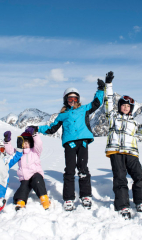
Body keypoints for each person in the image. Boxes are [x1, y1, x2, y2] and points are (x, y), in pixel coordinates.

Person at [28, 79, 104, 211]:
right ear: (65, 101)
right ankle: (68, 198)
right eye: (70, 99)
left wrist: (101, 89)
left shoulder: (84, 109)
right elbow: (51, 128)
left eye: (75, 99)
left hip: (83, 143)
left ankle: (85, 195)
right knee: (69, 170)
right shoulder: (62, 115)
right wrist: (37, 128)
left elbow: (97, 103)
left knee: (83, 169)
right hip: (70, 145)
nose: (73, 101)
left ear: (78, 99)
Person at [103, 71, 142, 219]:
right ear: (120, 107)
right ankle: (123, 205)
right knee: (120, 178)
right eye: (123, 105)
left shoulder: (135, 123)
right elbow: (109, 101)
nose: (126, 107)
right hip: (116, 152)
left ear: (131, 109)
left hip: (132, 153)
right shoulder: (112, 117)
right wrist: (108, 84)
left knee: (139, 176)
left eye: (128, 106)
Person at [13, 128, 50, 211]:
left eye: (27, 143)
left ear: (31, 143)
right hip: (25, 176)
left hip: (35, 173)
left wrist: (34, 134)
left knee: (38, 181)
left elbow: (39, 144)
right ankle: (21, 201)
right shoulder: (19, 152)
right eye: (23, 143)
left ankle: (44, 198)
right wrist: (6, 142)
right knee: (24, 186)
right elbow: (9, 151)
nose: (25, 145)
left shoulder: (35, 151)